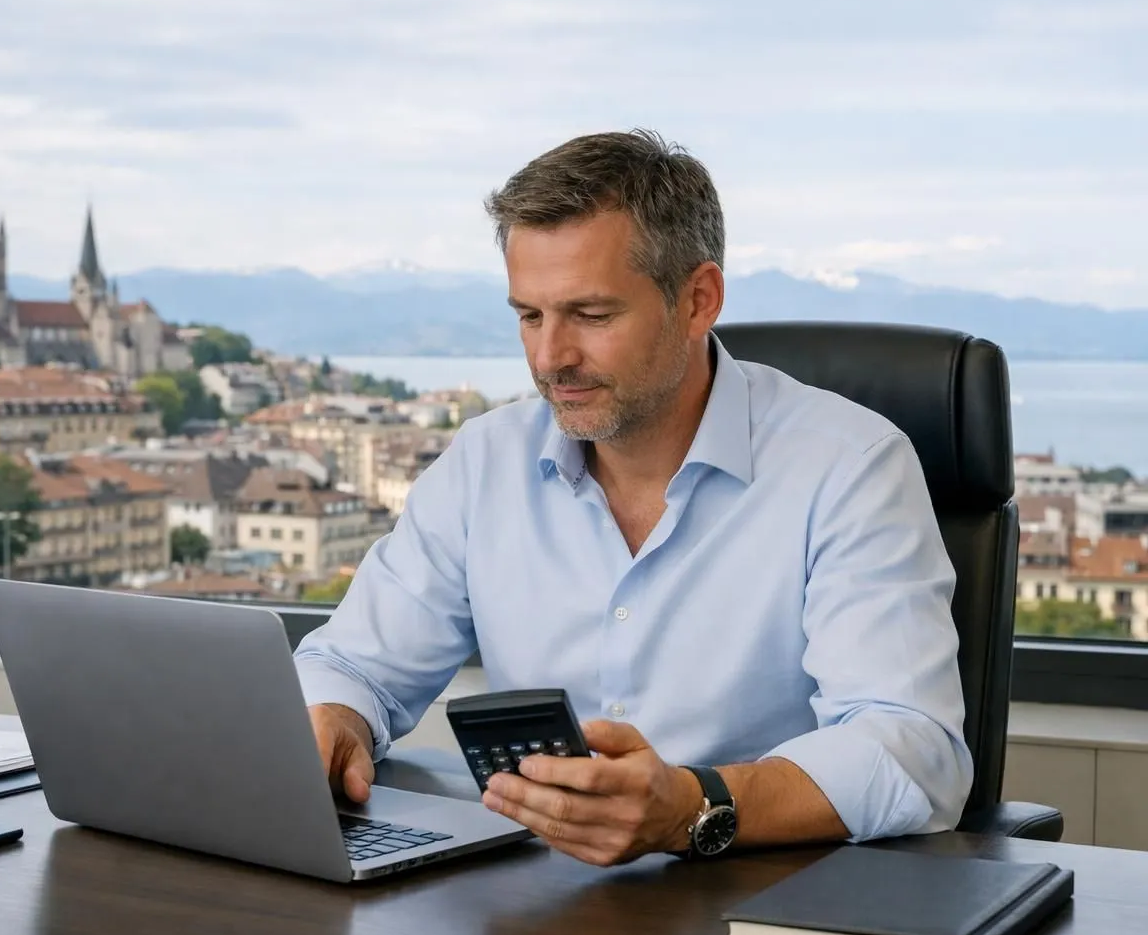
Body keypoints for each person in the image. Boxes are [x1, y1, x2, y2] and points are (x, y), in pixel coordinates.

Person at [295, 129, 972, 866]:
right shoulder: (487, 461)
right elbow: (356, 664)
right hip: (536, 909)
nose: (551, 358)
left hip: (765, 912)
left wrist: (694, 805)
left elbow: (910, 749)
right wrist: (336, 717)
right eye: (530, 315)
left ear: (698, 300)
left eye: (591, 315)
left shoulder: (850, 466)